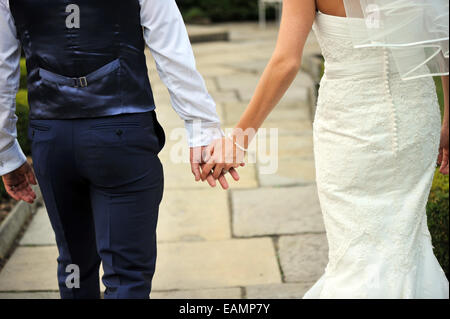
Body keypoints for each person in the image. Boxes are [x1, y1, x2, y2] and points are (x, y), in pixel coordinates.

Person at [203, 0, 450, 298]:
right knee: (407, 243)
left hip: (349, 125)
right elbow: (442, 38)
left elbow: (286, 62)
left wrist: (238, 139)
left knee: (356, 253)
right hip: (416, 116)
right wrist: (449, 119)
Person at [0, 0, 237, 299]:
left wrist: (6, 153)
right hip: (122, 137)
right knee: (127, 278)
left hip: (53, 138)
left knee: (74, 266)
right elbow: (172, 50)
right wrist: (202, 130)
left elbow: (1, 68)